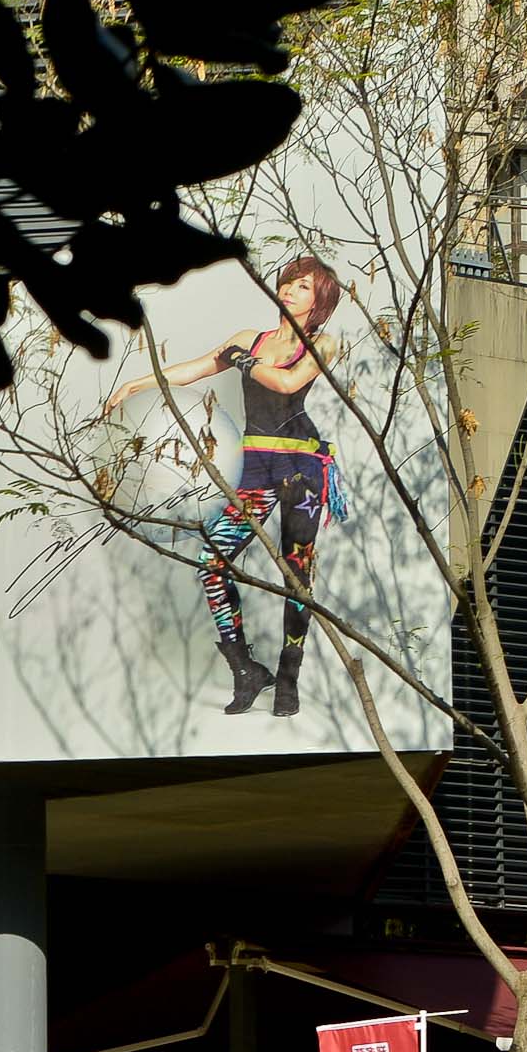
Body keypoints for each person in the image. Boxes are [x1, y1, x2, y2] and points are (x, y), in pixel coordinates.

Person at [103, 255, 343, 717]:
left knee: (296, 574)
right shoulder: (249, 339)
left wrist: (242, 361)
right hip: (255, 465)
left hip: (302, 467)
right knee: (212, 563)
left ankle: (288, 678)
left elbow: (286, 381)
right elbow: (197, 368)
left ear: (320, 302)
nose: (291, 289)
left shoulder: (321, 343)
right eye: (290, 281)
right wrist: (138, 384)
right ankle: (244, 670)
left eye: (304, 286)